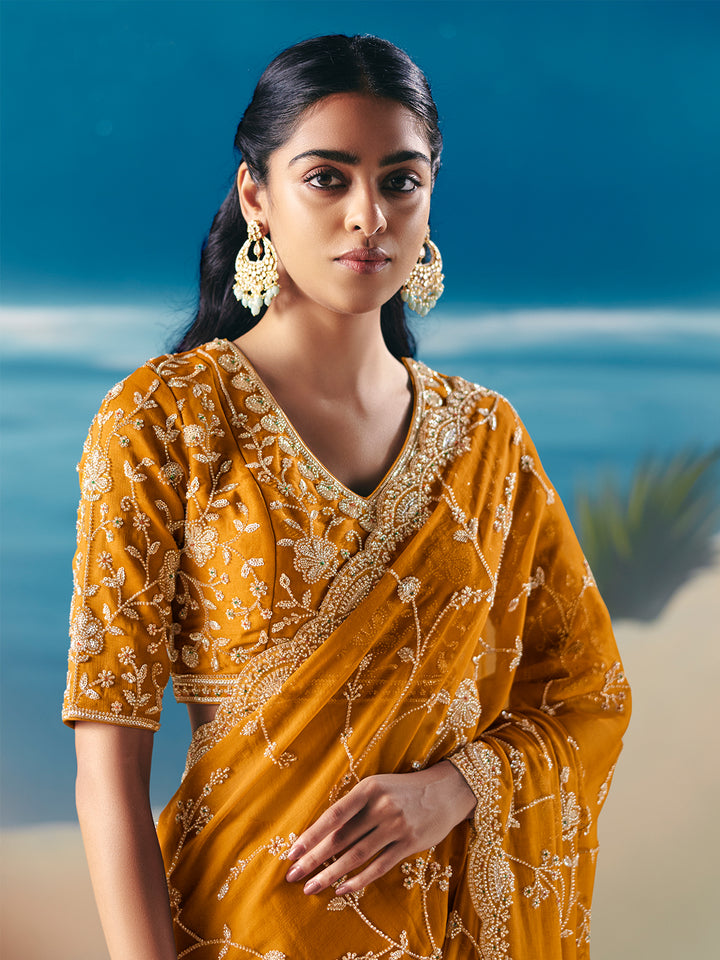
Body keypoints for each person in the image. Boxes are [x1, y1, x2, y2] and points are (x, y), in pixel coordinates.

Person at [62, 34, 631, 960]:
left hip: (445, 935)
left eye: (401, 181)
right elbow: (107, 766)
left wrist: (457, 787)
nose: (369, 215)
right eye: (327, 178)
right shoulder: (165, 421)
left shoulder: (485, 440)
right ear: (256, 195)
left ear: (431, 194)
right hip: (240, 929)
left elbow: (587, 694)